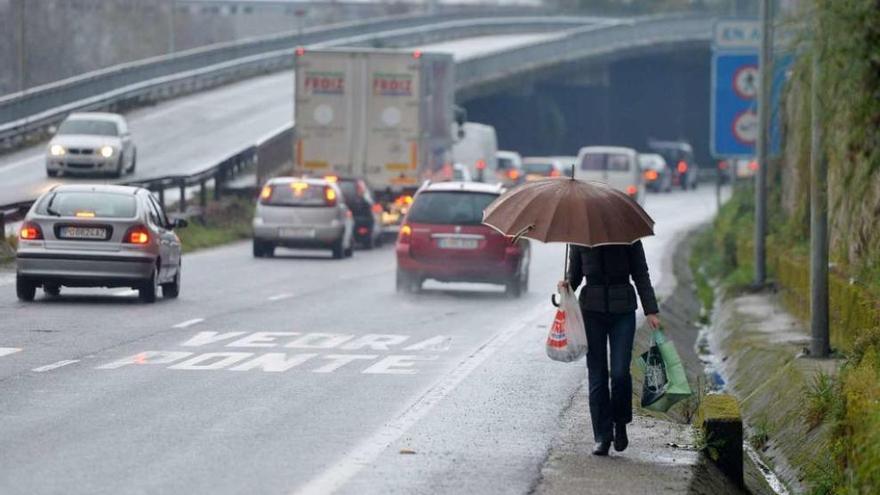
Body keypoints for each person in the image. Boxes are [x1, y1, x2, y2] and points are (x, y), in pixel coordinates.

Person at [559, 240, 660, 456]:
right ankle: (602, 436)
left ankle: (620, 422)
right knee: (597, 375)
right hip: (591, 311)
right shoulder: (580, 236)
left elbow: (641, 273)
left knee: (620, 373)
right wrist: (566, 287)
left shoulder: (628, 234)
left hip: (623, 311)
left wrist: (651, 309)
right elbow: (575, 276)